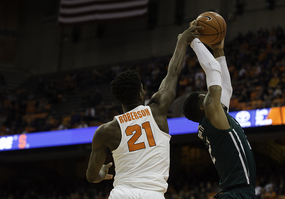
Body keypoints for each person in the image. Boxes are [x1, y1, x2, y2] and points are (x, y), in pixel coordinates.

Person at [86, 23, 203, 199]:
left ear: (120, 99)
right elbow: (173, 73)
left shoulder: (105, 131)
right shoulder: (157, 110)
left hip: (122, 194)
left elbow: (91, 177)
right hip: (153, 194)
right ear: (141, 93)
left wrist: (101, 173)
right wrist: (182, 41)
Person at [182, 32, 257, 198]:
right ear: (203, 107)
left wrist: (219, 52)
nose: (210, 95)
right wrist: (193, 40)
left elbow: (226, 88)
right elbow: (212, 69)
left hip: (237, 192)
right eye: (205, 95)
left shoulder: (217, 119)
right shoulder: (212, 115)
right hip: (236, 194)